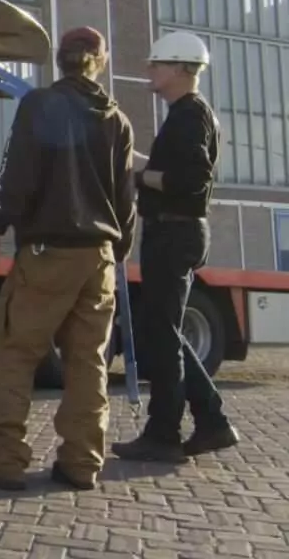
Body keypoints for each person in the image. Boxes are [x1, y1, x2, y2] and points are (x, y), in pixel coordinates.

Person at [0, 26, 137, 492]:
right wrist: (118, 252)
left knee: (16, 354)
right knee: (88, 362)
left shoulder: (39, 106)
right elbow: (126, 200)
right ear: (99, 61)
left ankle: (5, 461)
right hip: (98, 256)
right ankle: (82, 463)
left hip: (47, 252)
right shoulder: (117, 120)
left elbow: (18, 172)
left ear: (58, 60)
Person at [111, 31, 239, 463]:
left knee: (160, 334)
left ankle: (164, 433)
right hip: (177, 232)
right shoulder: (189, 114)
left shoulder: (188, 116)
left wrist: (138, 177)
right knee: (163, 330)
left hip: (173, 232)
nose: (150, 70)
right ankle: (212, 422)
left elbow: (190, 180)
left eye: (157, 64)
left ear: (181, 69)